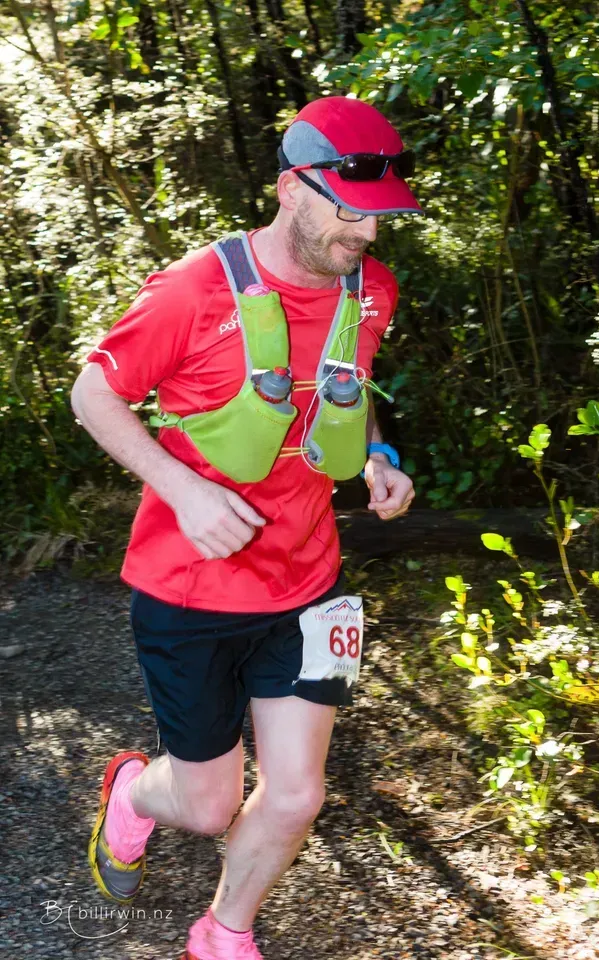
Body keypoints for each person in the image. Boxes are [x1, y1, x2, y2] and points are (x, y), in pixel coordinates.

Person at [71, 95, 422, 960]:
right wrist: (182, 489)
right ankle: (130, 794)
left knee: (297, 794)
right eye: (351, 213)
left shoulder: (369, 288)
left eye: (382, 218)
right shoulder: (194, 290)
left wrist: (376, 455)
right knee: (207, 806)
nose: (369, 237)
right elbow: (93, 394)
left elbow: (350, 387)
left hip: (309, 583)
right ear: (290, 187)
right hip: (190, 586)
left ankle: (223, 932)